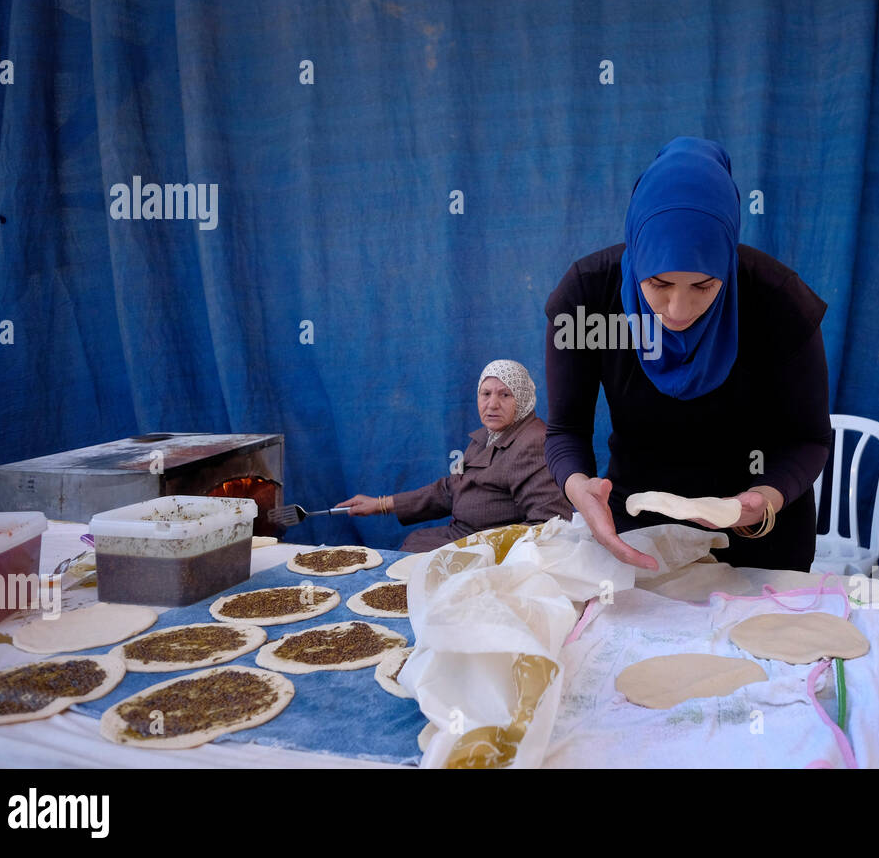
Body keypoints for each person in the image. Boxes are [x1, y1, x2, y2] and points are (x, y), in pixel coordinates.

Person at [543, 137, 832, 572]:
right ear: (637, 252)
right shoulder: (587, 299)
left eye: (704, 286)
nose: (679, 311)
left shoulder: (778, 303)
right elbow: (566, 430)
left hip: (758, 538)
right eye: (658, 284)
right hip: (640, 536)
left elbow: (808, 439)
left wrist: (763, 500)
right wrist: (579, 488)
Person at [343, 360, 573, 551]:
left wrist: (476, 551)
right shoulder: (489, 435)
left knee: (416, 557)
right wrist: (380, 504)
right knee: (416, 543)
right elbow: (451, 489)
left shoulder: (533, 443)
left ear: (522, 399)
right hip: (463, 535)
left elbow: (549, 524)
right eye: (486, 394)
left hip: (490, 550)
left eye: (505, 395)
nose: (492, 404)